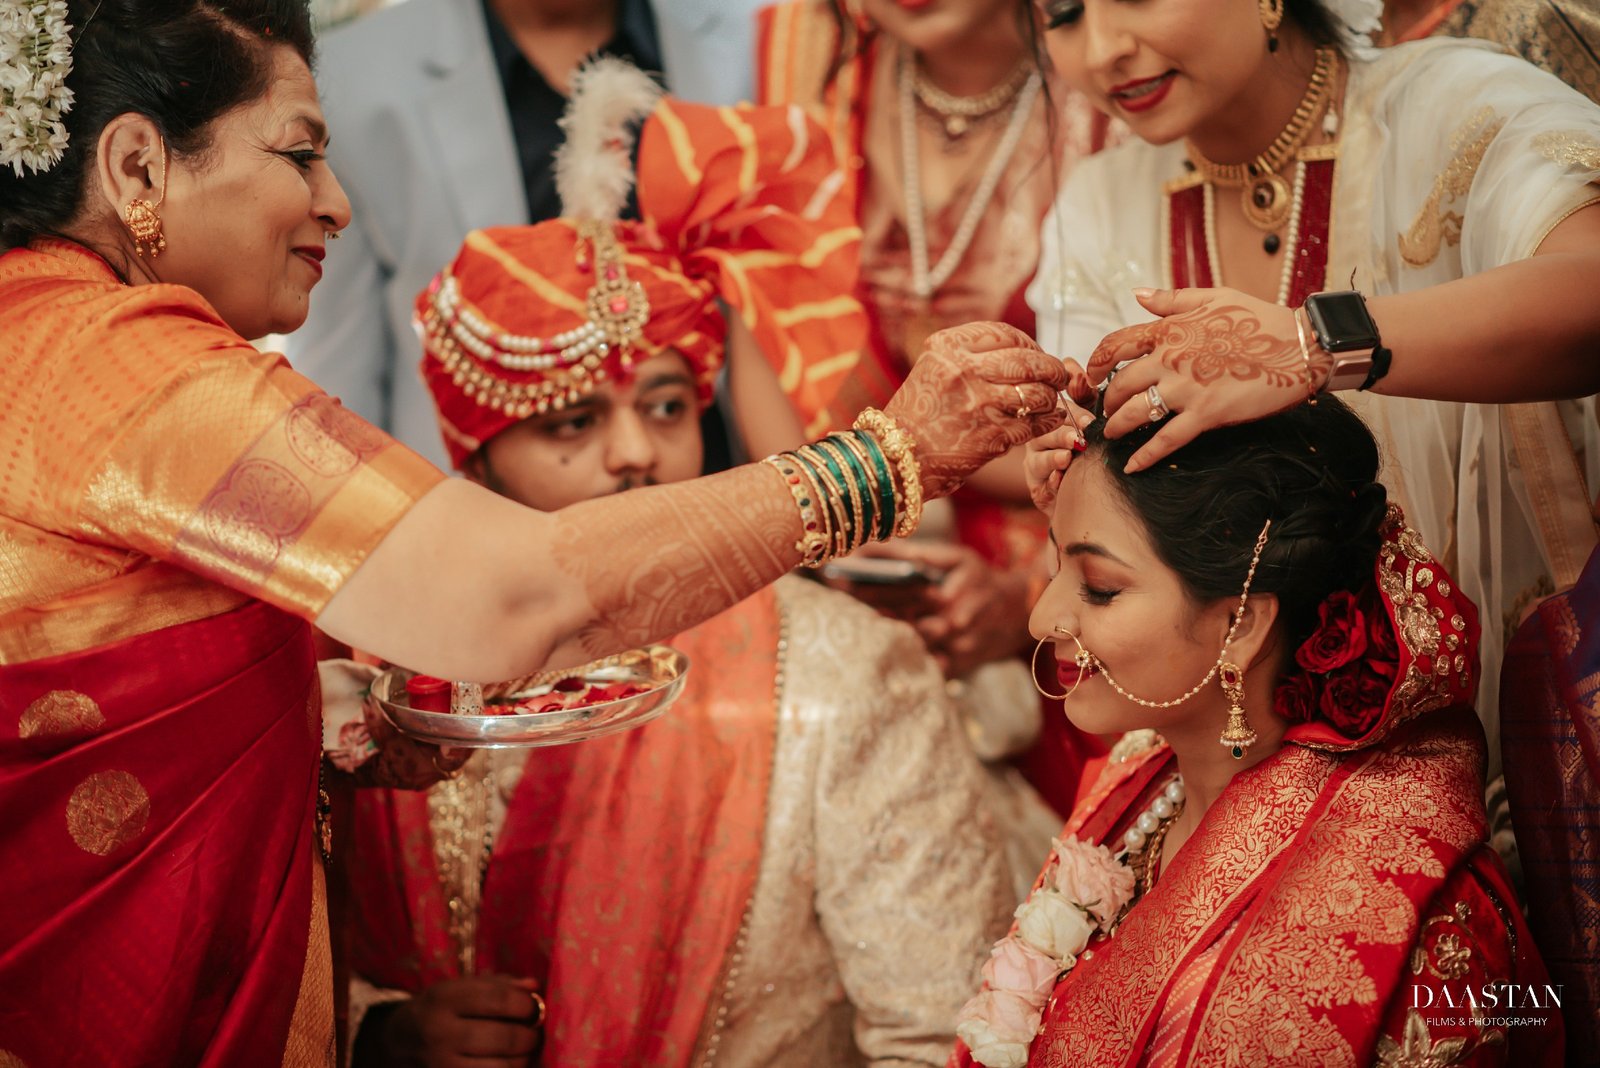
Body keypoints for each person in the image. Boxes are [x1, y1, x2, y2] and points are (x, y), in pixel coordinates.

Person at [0, 2, 1067, 1061]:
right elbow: (513, 601)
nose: (338, 205)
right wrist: (889, 460)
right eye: (300, 154)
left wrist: (325, 725)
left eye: (662, 406)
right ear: (137, 167)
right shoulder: (112, 363)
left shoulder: (37, 332)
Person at [339, 86, 1020, 1068]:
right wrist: (381, 1034)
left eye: (664, 407)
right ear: (474, 463)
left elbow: (944, 1039)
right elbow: (263, 965)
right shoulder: (387, 675)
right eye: (571, 423)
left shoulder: (845, 675)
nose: (632, 454)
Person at [1023, 0, 1600, 782]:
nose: (1102, 49)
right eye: (1060, 14)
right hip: (1260, 782)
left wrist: (1316, 344)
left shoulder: (1456, 112)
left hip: (1550, 745)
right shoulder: (1100, 207)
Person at [949, 398, 1563, 1067]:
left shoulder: (1408, 907)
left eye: (1097, 586)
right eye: (1055, 564)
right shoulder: (1138, 783)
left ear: (1241, 625)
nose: (1041, 618)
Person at [756, 0, 1117, 817]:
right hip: (845, 532)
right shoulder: (803, 53)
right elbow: (759, 316)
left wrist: (1035, 598)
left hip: (1073, 545)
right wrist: (828, 558)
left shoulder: (1115, 71)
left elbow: (1133, 405)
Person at [284, 0, 766, 469]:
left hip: (719, 483)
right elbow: (339, 369)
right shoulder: (355, 74)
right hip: (472, 510)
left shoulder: (759, 39)